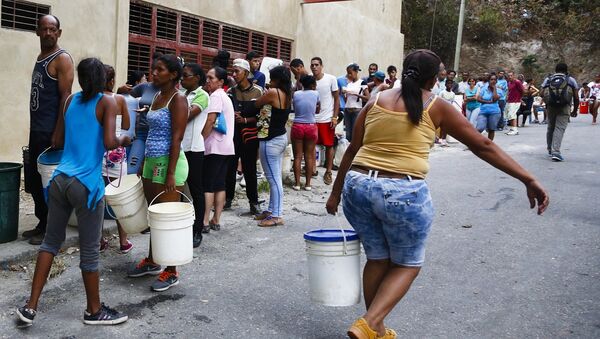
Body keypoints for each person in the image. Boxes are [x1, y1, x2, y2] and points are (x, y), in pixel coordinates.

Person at [325, 49, 549, 339]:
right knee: (408, 263)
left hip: (358, 187)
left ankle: (376, 328)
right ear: (433, 80)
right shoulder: (436, 105)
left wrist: (335, 193)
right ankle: (369, 322)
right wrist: (527, 177)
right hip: (401, 191)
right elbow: (483, 145)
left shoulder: (376, 99)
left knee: (378, 258)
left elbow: (353, 149)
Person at [17, 58, 130, 327]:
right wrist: (125, 138)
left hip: (59, 179)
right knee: (90, 250)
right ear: (103, 78)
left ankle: (30, 307)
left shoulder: (69, 101)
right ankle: (94, 310)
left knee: (50, 243)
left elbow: (60, 139)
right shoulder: (107, 102)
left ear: (80, 78)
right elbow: (109, 143)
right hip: (87, 185)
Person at [127, 54, 189, 292]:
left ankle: (171, 270)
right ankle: (153, 260)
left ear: (173, 75)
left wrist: (171, 173)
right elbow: (149, 132)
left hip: (170, 164)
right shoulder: (157, 97)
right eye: (153, 69)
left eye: (160, 70)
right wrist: (144, 162)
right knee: (154, 216)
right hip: (152, 162)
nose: (154, 73)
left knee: (168, 219)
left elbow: (177, 138)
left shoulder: (178, 99)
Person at [24, 14, 74, 245]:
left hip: (50, 131)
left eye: (52, 29)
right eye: (44, 29)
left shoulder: (61, 59)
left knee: (49, 184)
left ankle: (52, 230)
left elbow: (66, 96)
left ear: (59, 32)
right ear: (37, 32)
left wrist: (59, 131)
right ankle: (42, 223)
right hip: (37, 129)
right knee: (34, 180)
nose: (48, 33)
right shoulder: (41, 57)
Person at [100, 64, 132, 254]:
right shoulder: (118, 99)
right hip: (116, 154)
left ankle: (99, 240)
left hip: (97, 152)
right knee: (119, 199)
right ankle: (123, 241)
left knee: (97, 199)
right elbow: (127, 124)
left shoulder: (94, 100)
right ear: (112, 81)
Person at [253, 66, 292, 226]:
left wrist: (263, 93)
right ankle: (271, 210)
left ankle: (276, 215)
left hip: (271, 141)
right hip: (281, 137)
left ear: (277, 79)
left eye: (272, 78)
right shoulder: (288, 93)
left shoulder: (272, 93)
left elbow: (257, 104)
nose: (269, 81)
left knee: (274, 180)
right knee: (274, 179)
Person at [225, 59, 263, 216]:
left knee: (250, 170)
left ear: (246, 73)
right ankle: (227, 198)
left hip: (250, 136)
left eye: (237, 71)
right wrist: (231, 116)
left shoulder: (258, 92)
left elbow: (263, 116)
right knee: (229, 167)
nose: (234, 75)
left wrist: (246, 120)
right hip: (233, 135)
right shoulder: (230, 92)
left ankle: (253, 202)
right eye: (233, 71)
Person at [201, 67, 235, 232]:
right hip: (227, 146)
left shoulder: (215, 96)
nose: (208, 81)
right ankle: (216, 219)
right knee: (220, 184)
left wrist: (201, 139)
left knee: (208, 184)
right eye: (207, 78)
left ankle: (205, 221)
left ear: (221, 81)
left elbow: (210, 120)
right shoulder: (226, 96)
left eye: (211, 78)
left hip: (214, 146)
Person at [181, 63, 210, 248]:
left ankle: (197, 229)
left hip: (194, 149)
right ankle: (181, 226)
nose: (182, 79)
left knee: (196, 190)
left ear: (197, 78)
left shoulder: (202, 95)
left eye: (186, 75)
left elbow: (188, 116)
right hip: (180, 147)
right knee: (179, 190)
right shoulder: (182, 95)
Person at [540, 63, 579, 161]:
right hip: (565, 106)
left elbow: (541, 93)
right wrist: (574, 110)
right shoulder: (570, 80)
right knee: (559, 128)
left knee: (550, 127)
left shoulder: (548, 79)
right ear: (566, 70)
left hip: (551, 106)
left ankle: (550, 149)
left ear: (555, 70)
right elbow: (576, 97)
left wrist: (549, 99)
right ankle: (556, 152)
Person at [310, 57, 340, 185]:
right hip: (312, 118)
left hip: (327, 118)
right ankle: (312, 168)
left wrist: (335, 117)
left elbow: (337, 99)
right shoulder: (310, 80)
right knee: (311, 145)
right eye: (312, 65)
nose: (314, 67)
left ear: (322, 66)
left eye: (316, 65)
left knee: (329, 145)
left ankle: (328, 171)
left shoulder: (331, 79)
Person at [291, 75, 319, 191]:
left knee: (297, 156)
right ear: (313, 85)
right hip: (311, 126)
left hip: (297, 125)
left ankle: (297, 184)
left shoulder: (296, 94)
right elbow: (318, 109)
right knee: (309, 156)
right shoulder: (316, 94)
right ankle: (307, 184)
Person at [342, 63, 370, 141]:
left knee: (355, 133)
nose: (349, 75)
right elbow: (346, 99)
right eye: (348, 73)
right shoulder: (349, 84)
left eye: (350, 73)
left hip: (356, 110)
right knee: (348, 134)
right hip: (347, 110)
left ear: (356, 72)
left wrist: (356, 94)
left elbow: (368, 98)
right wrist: (344, 93)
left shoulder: (362, 83)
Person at [476, 74, 504, 141]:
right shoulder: (484, 89)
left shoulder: (499, 90)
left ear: (496, 81)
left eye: (495, 80)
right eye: (491, 79)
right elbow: (478, 99)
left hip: (494, 112)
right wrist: (487, 102)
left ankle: (489, 145)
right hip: (483, 112)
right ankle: (473, 143)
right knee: (479, 128)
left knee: (491, 129)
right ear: (489, 80)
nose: (493, 81)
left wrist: (494, 88)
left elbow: (495, 99)